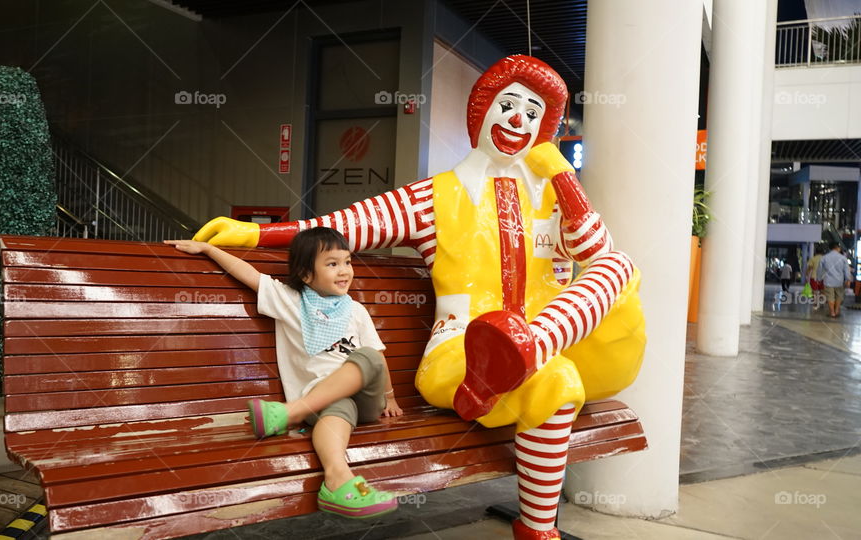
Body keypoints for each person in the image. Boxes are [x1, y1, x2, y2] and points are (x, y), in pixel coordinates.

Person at [192, 55, 645, 540]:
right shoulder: (436, 196)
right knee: (558, 381)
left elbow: (597, 253)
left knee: (620, 266)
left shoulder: (555, 199)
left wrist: (562, 176)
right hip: (461, 355)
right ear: (482, 112)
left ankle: (528, 346)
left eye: (534, 114)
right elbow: (348, 225)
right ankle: (537, 530)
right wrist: (258, 236)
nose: (519, 119)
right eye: (508, 104)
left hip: (552, 340)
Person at [164, 227, 404, 519]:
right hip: (321, 401)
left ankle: (288, 413)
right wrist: (209, 249)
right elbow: (249, 274)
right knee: (338, 407)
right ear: (305, 275)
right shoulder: (290, 300)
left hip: (364, 399)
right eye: (332, 264)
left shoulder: (355, 311)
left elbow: (377, 357)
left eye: (347, 262)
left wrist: (389, 398)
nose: (344, 271)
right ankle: (338, 480)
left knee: (365, 356)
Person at [819, 242, 852, 317]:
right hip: (839, 281)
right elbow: (846, 270)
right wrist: (848, 279)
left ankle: (832, 312)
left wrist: (819, 278)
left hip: (828, 281)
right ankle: (837, 310)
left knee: (830, 297)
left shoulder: (824, 257)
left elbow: (820, 269)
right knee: (839, 296)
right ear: (837, 248)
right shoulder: (843, 258)